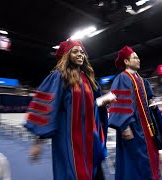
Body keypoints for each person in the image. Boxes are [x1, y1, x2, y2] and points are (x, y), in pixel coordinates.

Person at [24, 40, 108, 180]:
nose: (80, 54)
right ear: (67, 55)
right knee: (74, 174)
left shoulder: (89, 80)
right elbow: (47, 109)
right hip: (68, 140)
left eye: (82, 52)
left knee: (95, 172)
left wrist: (104, 101)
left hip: (89, 138)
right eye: (75, 51)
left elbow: (93, 106)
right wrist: (37, 142)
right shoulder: (59, 77)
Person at [108, 46, 162, 180]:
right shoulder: (122, 78)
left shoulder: (142, 80)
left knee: (151, 158)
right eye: (135, 57)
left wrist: (155, 103)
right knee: (135, 163)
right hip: (133, 129)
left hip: (148, 129)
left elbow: (150, 102)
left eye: (138, 57)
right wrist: (124, 126)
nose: (138, 59)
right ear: (126, 62)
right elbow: (119, 103)